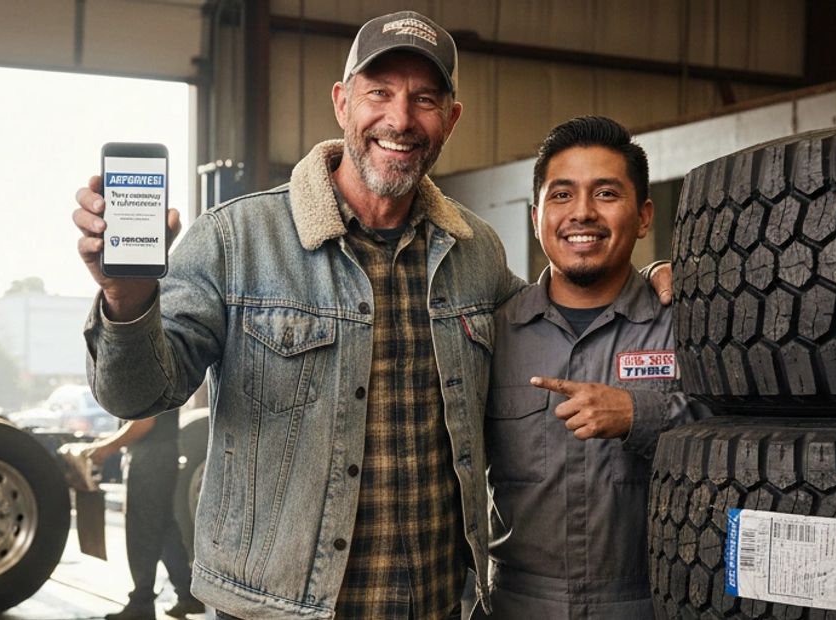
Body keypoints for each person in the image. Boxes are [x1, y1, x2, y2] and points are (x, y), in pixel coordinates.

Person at [75, 11, 671, 618]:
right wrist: (125, 298)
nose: (401, 119)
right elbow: (137, 395)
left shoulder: (474, 252)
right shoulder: (236, 240)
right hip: (282, 609)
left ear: (451, 119)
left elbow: (554, 305)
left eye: (425, 99)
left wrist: (646, 283)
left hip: (433, 603)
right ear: (341, 102)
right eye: (379, 92)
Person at [472, 117, 707, 618]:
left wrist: (640, 415)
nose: (582, 213)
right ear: (537, 215)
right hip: (518, 605)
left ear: (644, 216)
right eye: (561, 196)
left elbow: (745, 434)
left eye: (605, 194)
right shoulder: (492, 335)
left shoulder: (687, 325)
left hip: (652, 602)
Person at [83, 410, 204, 620]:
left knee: (141, 530)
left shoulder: (144, 376)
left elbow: (144, 423)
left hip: (150, 457)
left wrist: (108, 448)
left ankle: (141, 602)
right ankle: (188, 595)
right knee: (165, 530)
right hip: (162, 453)